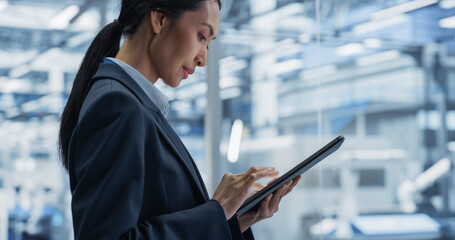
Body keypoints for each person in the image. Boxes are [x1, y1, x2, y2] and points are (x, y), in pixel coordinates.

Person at [58, 0, 301, 239]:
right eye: (201, 37)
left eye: (208, 44)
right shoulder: (117, 107)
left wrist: (233, 221)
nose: (203, 59)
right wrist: (217, 210)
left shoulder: (133, 104)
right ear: (159, 19)